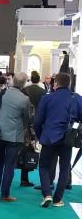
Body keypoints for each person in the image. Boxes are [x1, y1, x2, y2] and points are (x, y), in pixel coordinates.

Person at [34, 72, 82, 208]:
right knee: (65, 168)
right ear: (69, 84)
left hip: (49, 136)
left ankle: (47, 194)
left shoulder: (47, 98)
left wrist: (40, 136)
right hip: (68, 137)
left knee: (44, 166)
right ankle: (57, 199)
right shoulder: (77, 98)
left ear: (55, 83)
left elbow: (37, 121)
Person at [0, 73, 30, 202]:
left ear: (12, 81)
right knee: (9, 165)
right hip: (15, 136)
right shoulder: (25, 99)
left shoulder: (0, 93)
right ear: (24, 84)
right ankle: (5, 194)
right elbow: (26, 119)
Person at [19, 71, 46, 188]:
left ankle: (24, 178)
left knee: (25, 149)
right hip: (37, 123)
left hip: (25, 123)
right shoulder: (42, 92)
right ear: (39, 80)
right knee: (35, 149)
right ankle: (38, 176)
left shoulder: (24, 90)